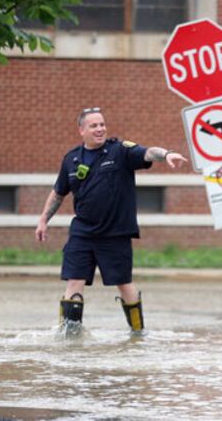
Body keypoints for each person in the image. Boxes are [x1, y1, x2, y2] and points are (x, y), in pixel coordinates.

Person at [35, 107, 187, 334]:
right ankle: (69, 337)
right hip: (83, 233)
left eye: (102, 125)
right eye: (94, 125)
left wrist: (166, 154)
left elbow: (147, 153)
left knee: (124, 283)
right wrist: (43, 220)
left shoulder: (120, 151)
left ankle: (137, 333)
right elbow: (59, 193)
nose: (100, 129)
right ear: (81, 130)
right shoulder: (71, 159)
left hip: (115, 233)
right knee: (74, 282)